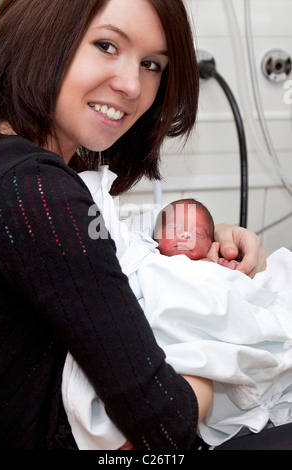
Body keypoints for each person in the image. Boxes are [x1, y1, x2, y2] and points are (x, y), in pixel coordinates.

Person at [0, 0, 267, 450]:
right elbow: (164, 428)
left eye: (151, 64)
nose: (131, 84)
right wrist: (212, 370)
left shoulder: (17, 168)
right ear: (38, 35)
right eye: (106, 45)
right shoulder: (39, 190)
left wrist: (199, 242)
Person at [63, 166, 292, 450]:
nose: (184, 236)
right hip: (168, 371)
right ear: (156, 238)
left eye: (195, 232)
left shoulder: (212, 263)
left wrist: (227, 264)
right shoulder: (148, 258)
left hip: (206, 346)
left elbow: (239, 291)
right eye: (174, 230)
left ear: (211, 242)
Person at [153, 198, 239, 269]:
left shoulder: (210, 266)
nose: (186, 235)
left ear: (210, 245)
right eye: (174, 229)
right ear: (155, 237)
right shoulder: (152, 258)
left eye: (197, 234)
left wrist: (221, 269)